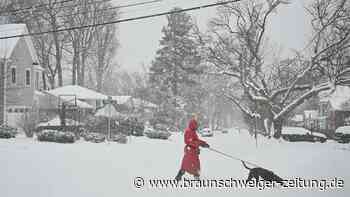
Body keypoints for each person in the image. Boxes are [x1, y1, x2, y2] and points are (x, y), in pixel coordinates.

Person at [175, 114, 210, 181]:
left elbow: (196, 140)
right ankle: (179, 176)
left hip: (194, 151)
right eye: (196, 125)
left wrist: (204, 143)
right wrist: (199, 144)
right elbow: (188, 141)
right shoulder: (188, 131)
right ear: (193, 125)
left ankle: (195, 175)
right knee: (187, 164)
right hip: (190, 150)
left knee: (195, 164)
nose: (197, 127)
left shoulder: (193, 131)